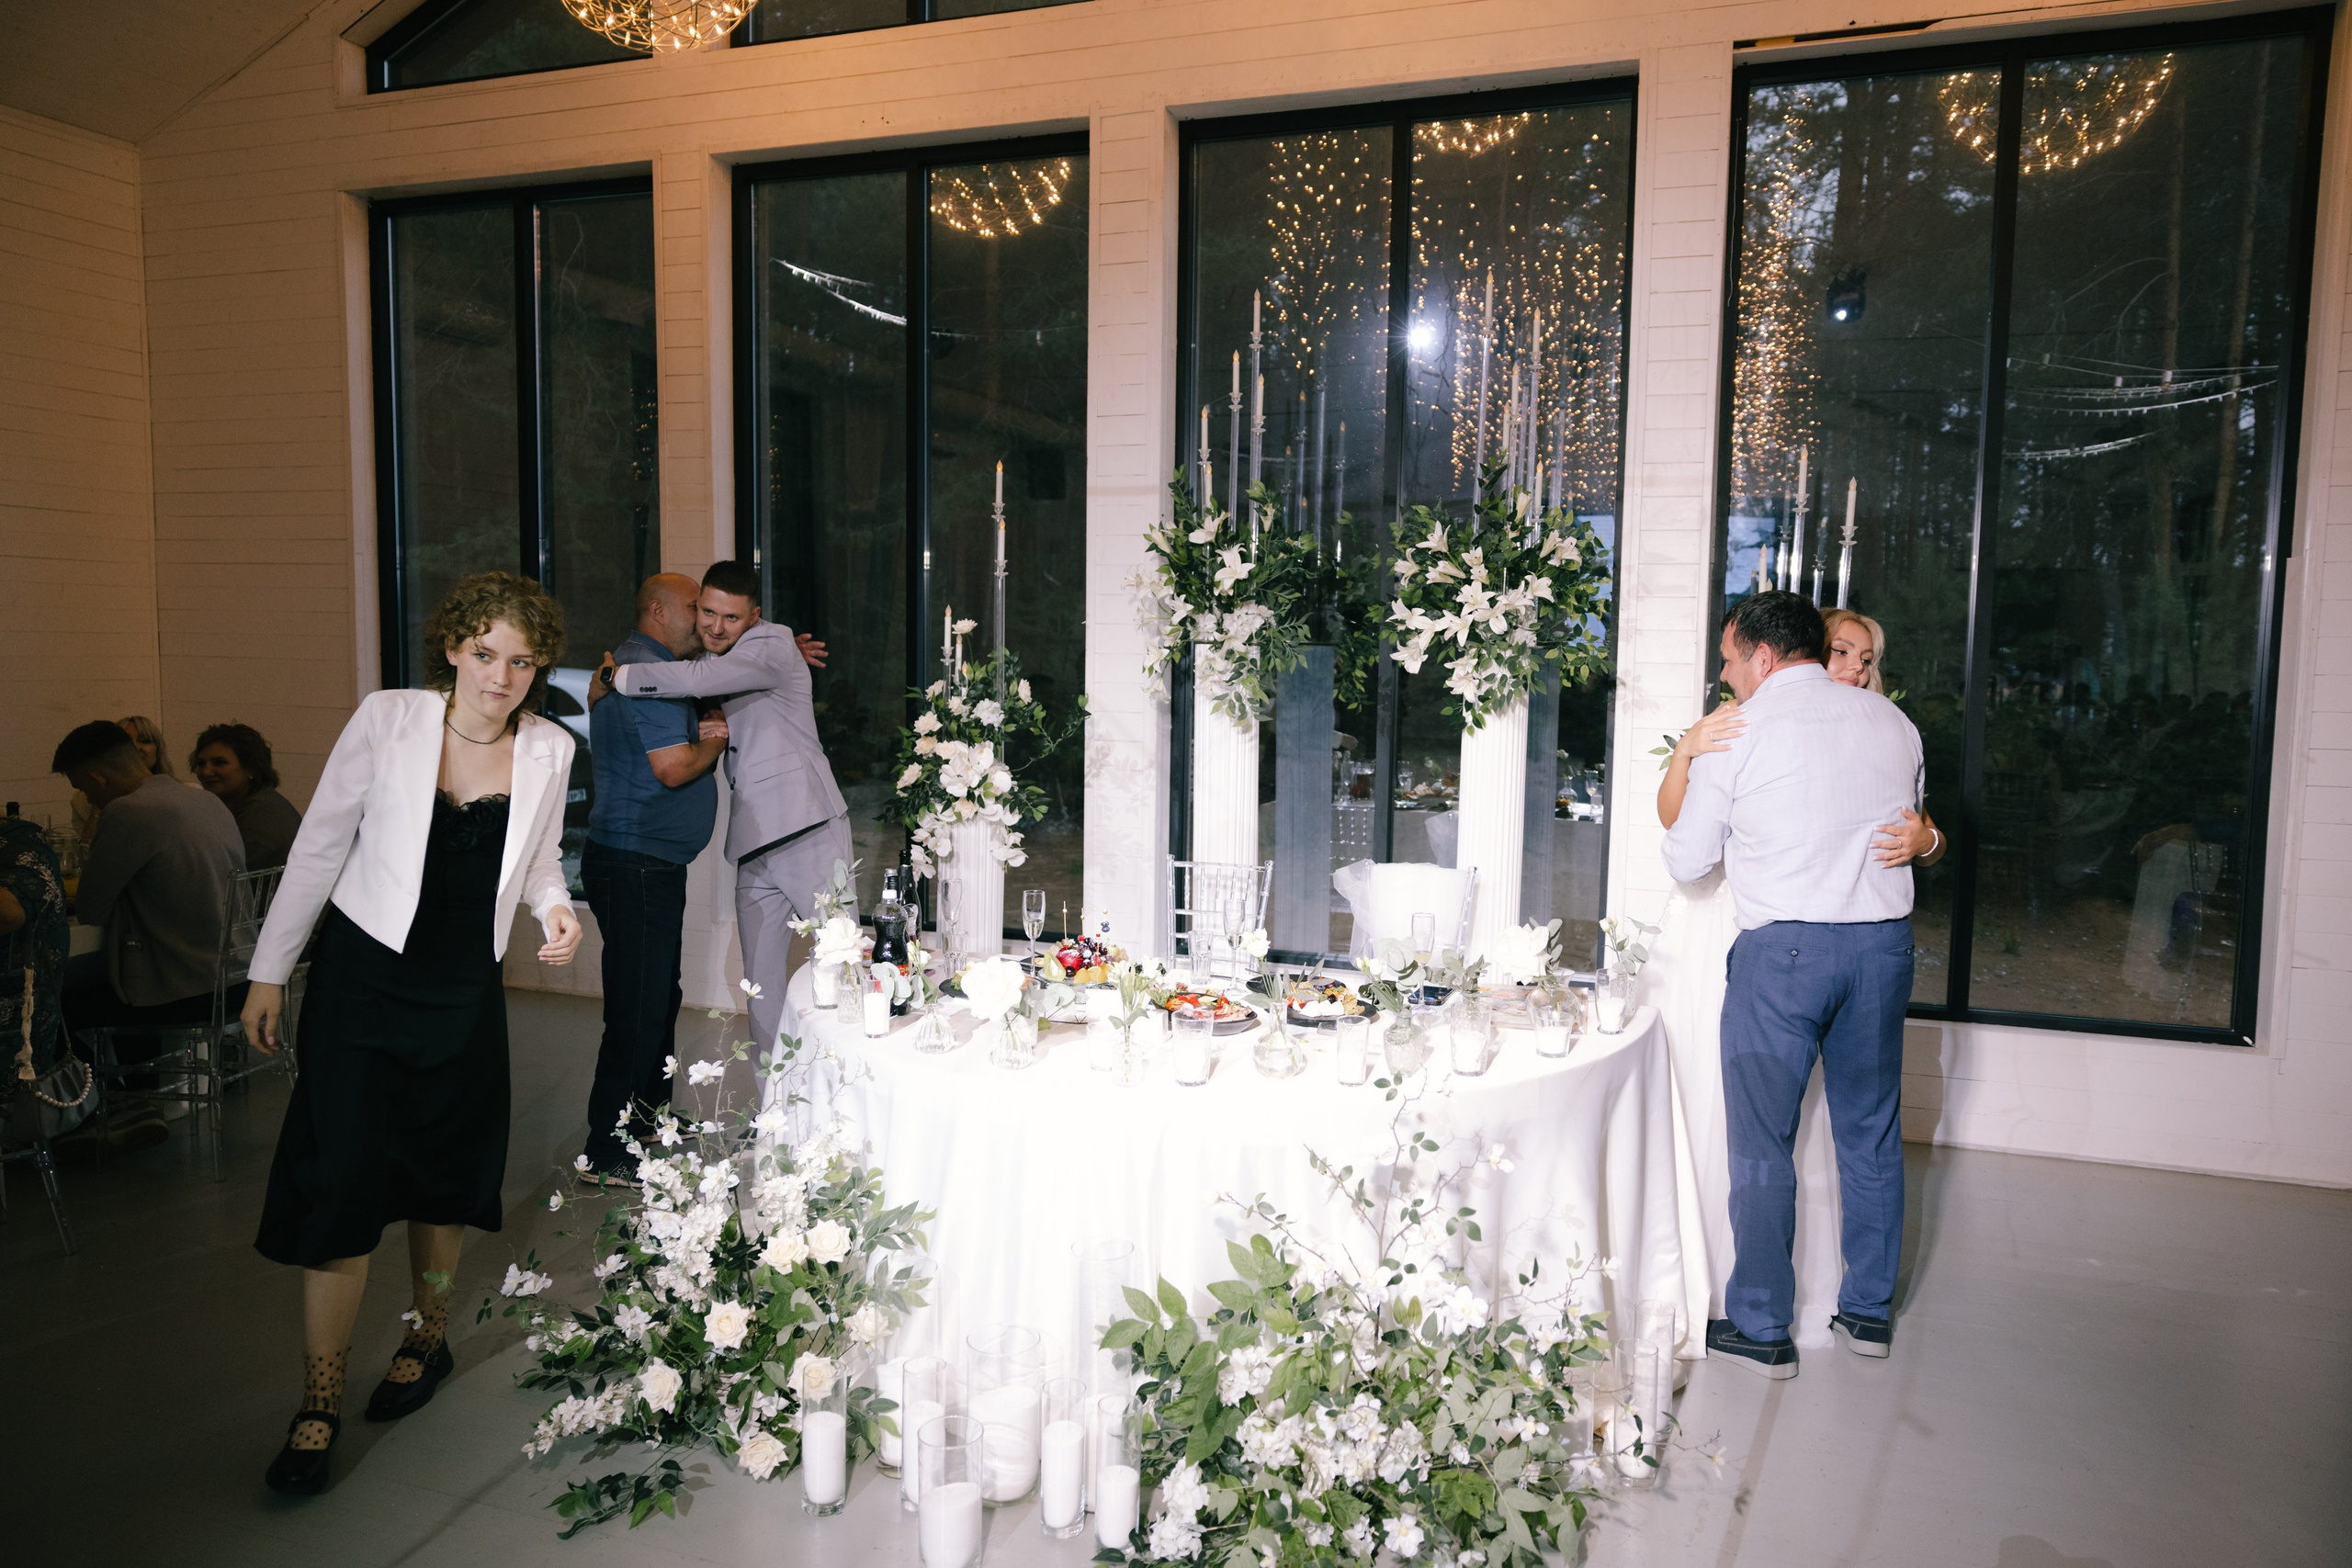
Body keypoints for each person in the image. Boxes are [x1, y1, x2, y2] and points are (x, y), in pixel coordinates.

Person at [238, 571, 582, 1495]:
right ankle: (317, 1400)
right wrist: (269, 970)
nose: (499, 677)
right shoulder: (389, 720)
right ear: (453, 650)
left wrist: (556, 911)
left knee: (443, 1175)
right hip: (362, 978)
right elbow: (319, 844)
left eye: (520, 661)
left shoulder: (550, 747)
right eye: (484, 655)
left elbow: (542, 859)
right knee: (343, 1174)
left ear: (537, 667)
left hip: (460, 989)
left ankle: (425, 1339)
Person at [1658, 592, 1928, 1378]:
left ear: (1764, 657)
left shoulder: (1741, 731)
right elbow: (1906, 829)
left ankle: (1763, 1326)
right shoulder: (1895, 725)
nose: (1726, 673)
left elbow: (1687, 861)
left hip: (1784, 957)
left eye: (1730, 658)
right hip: (1881, 948)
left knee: (1762, 1145)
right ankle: (1868, 1315)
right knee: (1871, 1133)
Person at [599, 560, 847, 1065]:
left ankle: (849, 1102)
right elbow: (711, 675)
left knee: (844, 965)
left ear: (753, 618)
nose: (713, 626)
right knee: (759, 986)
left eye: (730, 619)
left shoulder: (770, 643)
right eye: (706, 613)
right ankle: (775, 1111)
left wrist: (615, 676)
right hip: (754, 840)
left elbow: (700, 674)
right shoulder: (744, 652)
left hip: (807, 828)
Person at [577, 574, 730, 1187]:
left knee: (656, 998)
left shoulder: (634, 668)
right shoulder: (649, 674)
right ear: (660, 610)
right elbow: (671, 768)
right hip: (634, 861)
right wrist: (715, 742)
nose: (702, 617)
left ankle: (648, 1119)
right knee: (637, 1008)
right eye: (695, 606)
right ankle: (605, 1149)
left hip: (646, 861)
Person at [51, 721, 244, 1040]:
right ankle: (133, 1086)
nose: (90, 798)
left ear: (97, 777)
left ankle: (89, 1091)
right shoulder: (207, 800)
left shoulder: (127, 811)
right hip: (239, 979)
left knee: (55, 1000)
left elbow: (90, 910)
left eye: (84, 789)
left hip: (189, 991)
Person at [191, 722, 305, 872]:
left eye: (220, 763)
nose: (206, 772)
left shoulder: (262, 814)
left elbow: (228, 876)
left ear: (251, 767)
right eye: (201, 763)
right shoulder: (251, 801)